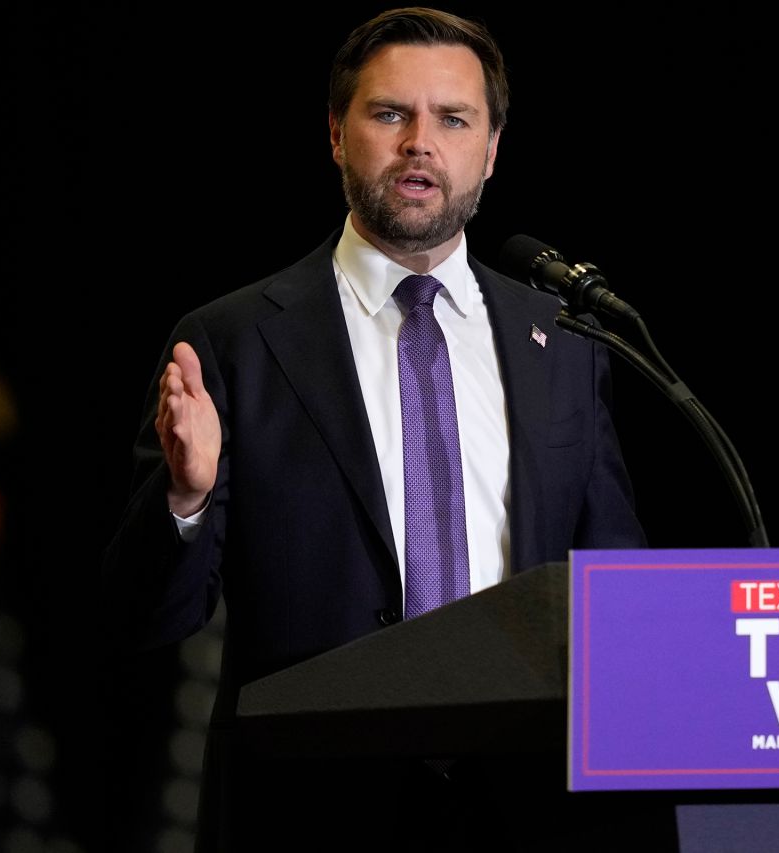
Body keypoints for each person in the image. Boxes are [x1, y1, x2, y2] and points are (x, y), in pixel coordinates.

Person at [102, 8, 657, 851]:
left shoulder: (567, 343)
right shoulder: (235, 340)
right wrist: (185, 494)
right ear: (335, 133)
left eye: (453, 118)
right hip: (310, 808)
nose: (419, 143)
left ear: (492, 149)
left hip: (531, 807)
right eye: (390, 113)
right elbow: (146, 616)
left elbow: (617, 584)